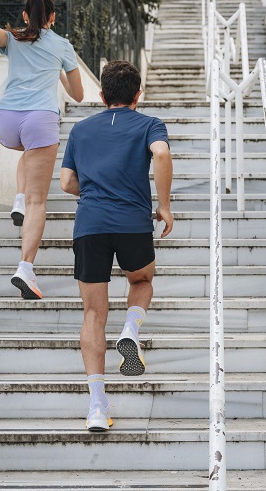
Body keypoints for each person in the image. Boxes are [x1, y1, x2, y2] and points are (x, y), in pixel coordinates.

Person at [59, 60, 173, 432]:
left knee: (93, 314)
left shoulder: (80, 130)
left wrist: (97, 189)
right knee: (141, 280)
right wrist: (164, 206)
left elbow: (66, 183)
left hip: (90, 224)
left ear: (101, 94)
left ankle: (96, 407)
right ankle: (130, 330)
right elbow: (161, 154)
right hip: (132, 222)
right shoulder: (150, 124)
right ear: (137, 95)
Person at [0, 0, 84, 300]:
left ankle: (18, 197)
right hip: (40, 118)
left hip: (5, 119)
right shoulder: (62, 45)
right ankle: (25, 268)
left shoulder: (13, 38)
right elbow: (78, 95)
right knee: (39, 201)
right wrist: (59, 72)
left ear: (25, 16)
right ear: (53, 18)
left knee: (28, 152)